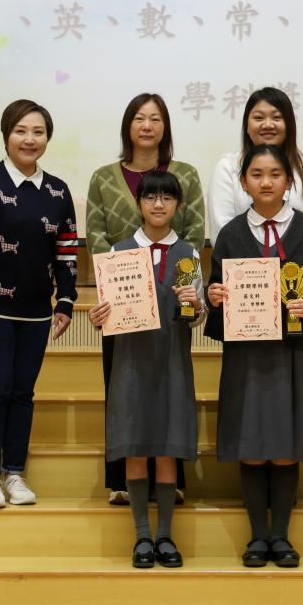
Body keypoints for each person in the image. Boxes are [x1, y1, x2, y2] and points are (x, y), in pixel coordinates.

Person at [205, 144, 303, 568]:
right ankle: (256, 537)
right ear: (243, 182)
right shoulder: (230, 234)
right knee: (249, 442)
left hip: (292, 351)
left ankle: (280, 536)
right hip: (246, 355)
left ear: (289, 182)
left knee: (286, 443)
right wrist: (214, 295)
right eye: (257, 174)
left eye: (275, 174)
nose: (266, 182)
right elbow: (214, 286)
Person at [0, 99, 77, 508]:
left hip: (36, 313)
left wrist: (65, 301)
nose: (30, 139)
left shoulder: (58, 191)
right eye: (21, 131)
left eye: (38, 132)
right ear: (6, 135)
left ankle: (15, 474)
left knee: (23, 393)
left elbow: (66, 251)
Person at [86, 93, 204, 506]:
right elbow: (96, 234)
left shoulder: (185, 174)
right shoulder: (103, 176)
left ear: (166, 126)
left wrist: (181, 284)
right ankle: (122, 481)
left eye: (155, 118)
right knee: (125, 391)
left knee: (171, 392)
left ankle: (172, 484)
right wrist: (115, 283)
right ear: (128, 126)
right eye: (139, 118)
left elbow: (194, 231)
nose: (147, 125)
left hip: (172, 295)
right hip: (122, 302)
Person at [88, 170, 202, 570]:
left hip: (172, 362)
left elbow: (193, 317)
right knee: (134, 447)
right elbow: (107, 313)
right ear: (138, 203)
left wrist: (196, 306)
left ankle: (165, 535)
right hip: (131, 364)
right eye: (150, 197)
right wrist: (97, 317)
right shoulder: (118, 253)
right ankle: (141, 536)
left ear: (178, 206)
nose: (158, 204)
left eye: (166, 198)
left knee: (168, 449)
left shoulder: (188, 254)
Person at [208, 86, 303, 268]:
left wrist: (285, 275)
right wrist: (259, 274)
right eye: (259, 118)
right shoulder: (228, 168)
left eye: (276, 117)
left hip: (300, 275)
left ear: (289, 125)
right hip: (243, 276)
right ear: (247, 126)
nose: (268, 124)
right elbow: (222, 234)